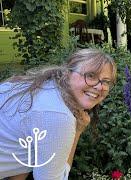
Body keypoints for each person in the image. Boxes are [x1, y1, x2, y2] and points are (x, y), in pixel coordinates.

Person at [0, 48, 117, 179]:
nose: (99, 86)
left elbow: (21, 156)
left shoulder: (45, 86)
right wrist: (78, 131)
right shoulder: (58, 115)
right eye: (90, 76)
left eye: (106, 81)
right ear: (67, 74)